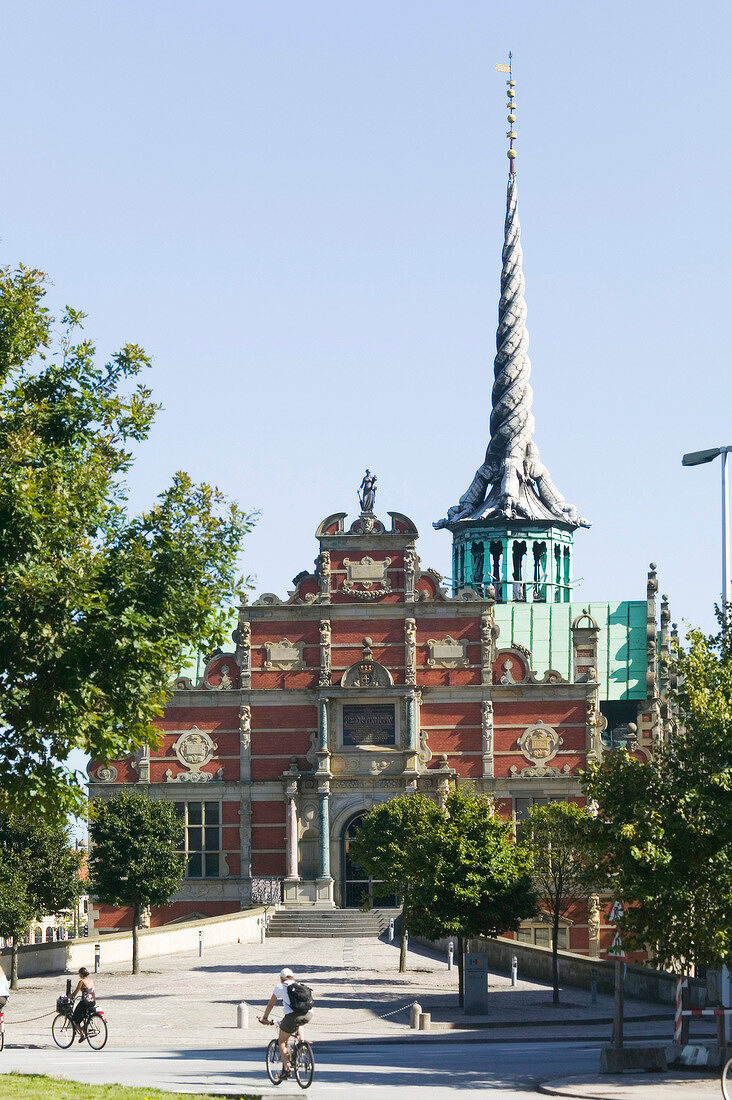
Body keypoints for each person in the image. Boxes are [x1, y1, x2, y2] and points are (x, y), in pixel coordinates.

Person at [259, 967, 312, 1079]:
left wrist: (265, 1018)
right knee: (300, 1022)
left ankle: (287, 1070)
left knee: (282, 1041)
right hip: (308, 1014)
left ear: (281, 978)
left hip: (292, 1017)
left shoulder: (280, 987)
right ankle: (302, 1044)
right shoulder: (300, 986)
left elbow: (271, 1004)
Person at [71, 966, 96, 1041]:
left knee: (75, 1018)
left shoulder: (82, 981)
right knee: (84, 1015)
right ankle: (86, 1026)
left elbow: (75, 993)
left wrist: (69, 996)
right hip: (93, 1002)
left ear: (81, 974)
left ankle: (82, 1035)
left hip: (85, 1002)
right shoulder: (92, 980)